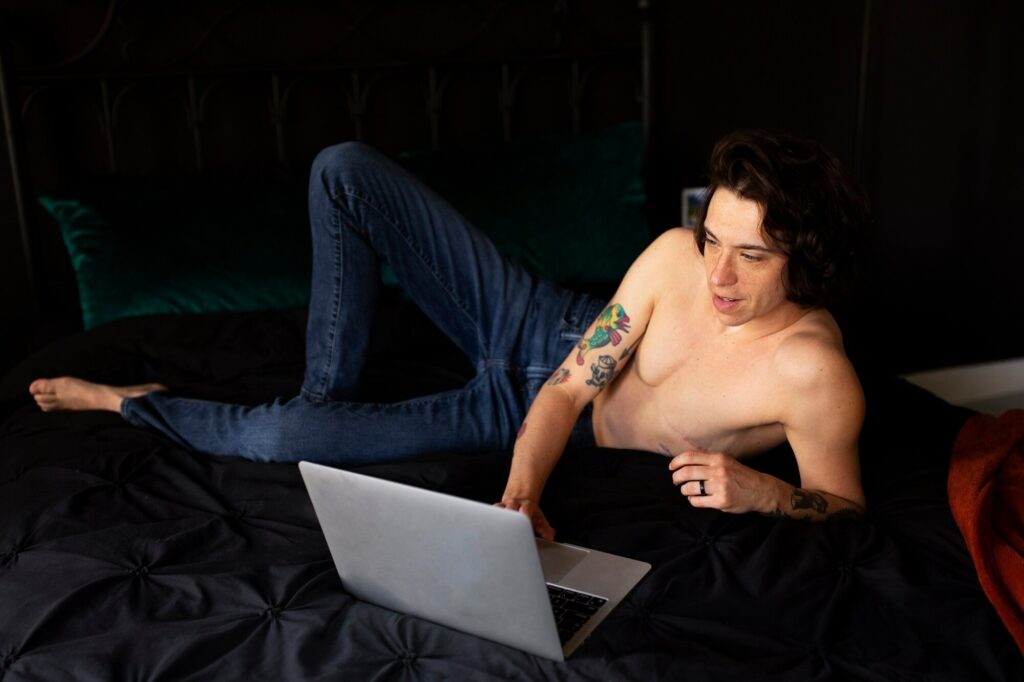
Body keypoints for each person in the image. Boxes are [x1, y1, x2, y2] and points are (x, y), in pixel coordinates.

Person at [29, 129, 869, 538]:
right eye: (712, 240)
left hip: (513, 411)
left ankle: (133, 403)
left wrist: (764, 493)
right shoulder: (674, 258)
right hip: (543, 330)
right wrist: (523, 495)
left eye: (751, 256)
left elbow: (848, 509)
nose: (717, 276)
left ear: (807, 257)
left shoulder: (810, 375)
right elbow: (574, 383)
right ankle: (329, 389)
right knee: (344, 169)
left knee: (284, 434)